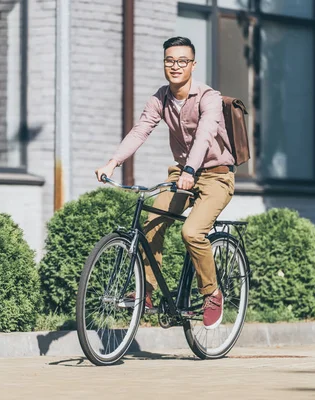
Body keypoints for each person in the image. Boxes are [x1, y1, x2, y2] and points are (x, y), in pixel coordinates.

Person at [94, 36, 236, 330]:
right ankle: (145, 291)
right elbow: (140, 131)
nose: (175, 66)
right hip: (181, 175)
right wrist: (113, 162)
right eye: (170, 61)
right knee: (152, 223)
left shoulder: (208, 98)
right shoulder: (160, 98)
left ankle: (212, 293)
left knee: (192, 232)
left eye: (182, 61)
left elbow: (205, 135)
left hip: (216, 175)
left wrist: (191, 169)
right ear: (164, 64)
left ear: (193, 65)